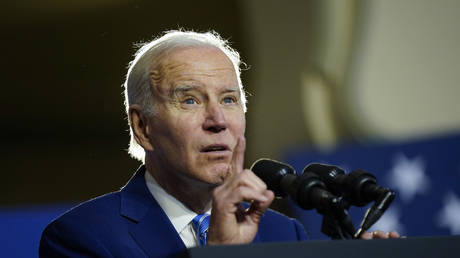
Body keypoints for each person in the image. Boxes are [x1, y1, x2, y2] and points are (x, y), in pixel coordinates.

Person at [39, 30, 399, 258]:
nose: (218, 121)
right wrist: (220, 256)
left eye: (229, 100)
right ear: (143, 127)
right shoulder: (82, 239)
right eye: (191, 100)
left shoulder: (283, 232)